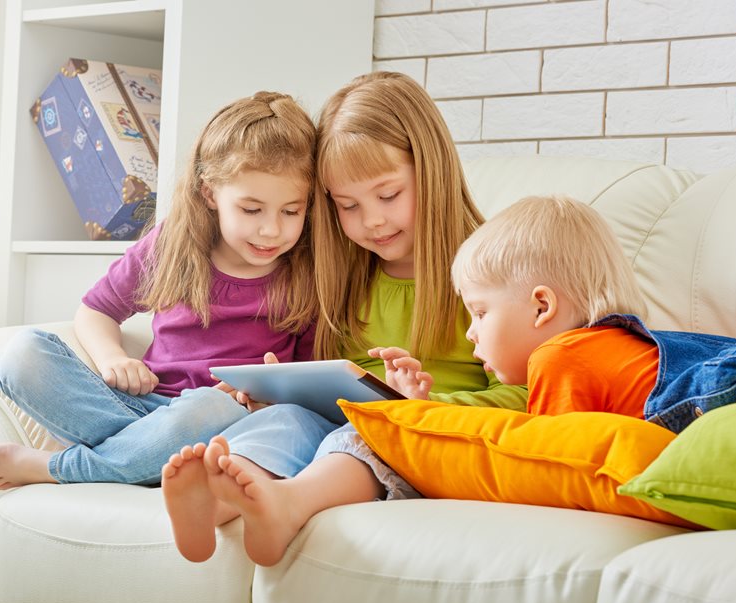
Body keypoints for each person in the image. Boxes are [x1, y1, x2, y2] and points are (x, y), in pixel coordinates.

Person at [161, 71, 528, 566]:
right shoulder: (344, 271)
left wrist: (428, 406)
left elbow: (527, 393)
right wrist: (282, 387)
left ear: (431, 170)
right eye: (348, 205)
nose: (371, 220)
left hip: (434, 432)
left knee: (365, 430)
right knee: (288, 419)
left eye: (388, 195)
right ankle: (219, 503)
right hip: (348, 422)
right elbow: (332, 384)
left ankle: (289, 504)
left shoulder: (489, 268)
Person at [0, 91, 322, 489]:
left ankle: (62, 468)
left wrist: (271, 393)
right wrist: (112, 357)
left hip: (224, 417)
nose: (271, 229)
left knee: (209, 408)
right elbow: (95, 310)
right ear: (210, 193)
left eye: (291, 211)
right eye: (251, 209)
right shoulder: (173, 244)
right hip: (141, 405)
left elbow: (308, 385)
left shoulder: (306, 273)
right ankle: (144, 457)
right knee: (23, 355)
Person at [449, 194, 736, 427]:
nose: (470, 333)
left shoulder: (558, 357)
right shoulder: (616, 350)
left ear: (542, 307)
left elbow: (553, 461)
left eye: (481, 313)